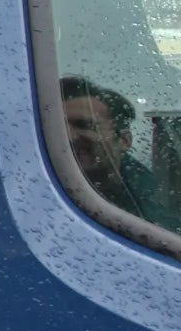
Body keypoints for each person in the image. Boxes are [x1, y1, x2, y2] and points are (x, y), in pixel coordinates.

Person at [59, 75, 180, 232]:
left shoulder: (156, 201)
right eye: (59, 126)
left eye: (85, 125)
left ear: (124, 140)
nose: (68, 136)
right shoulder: (36, 189)